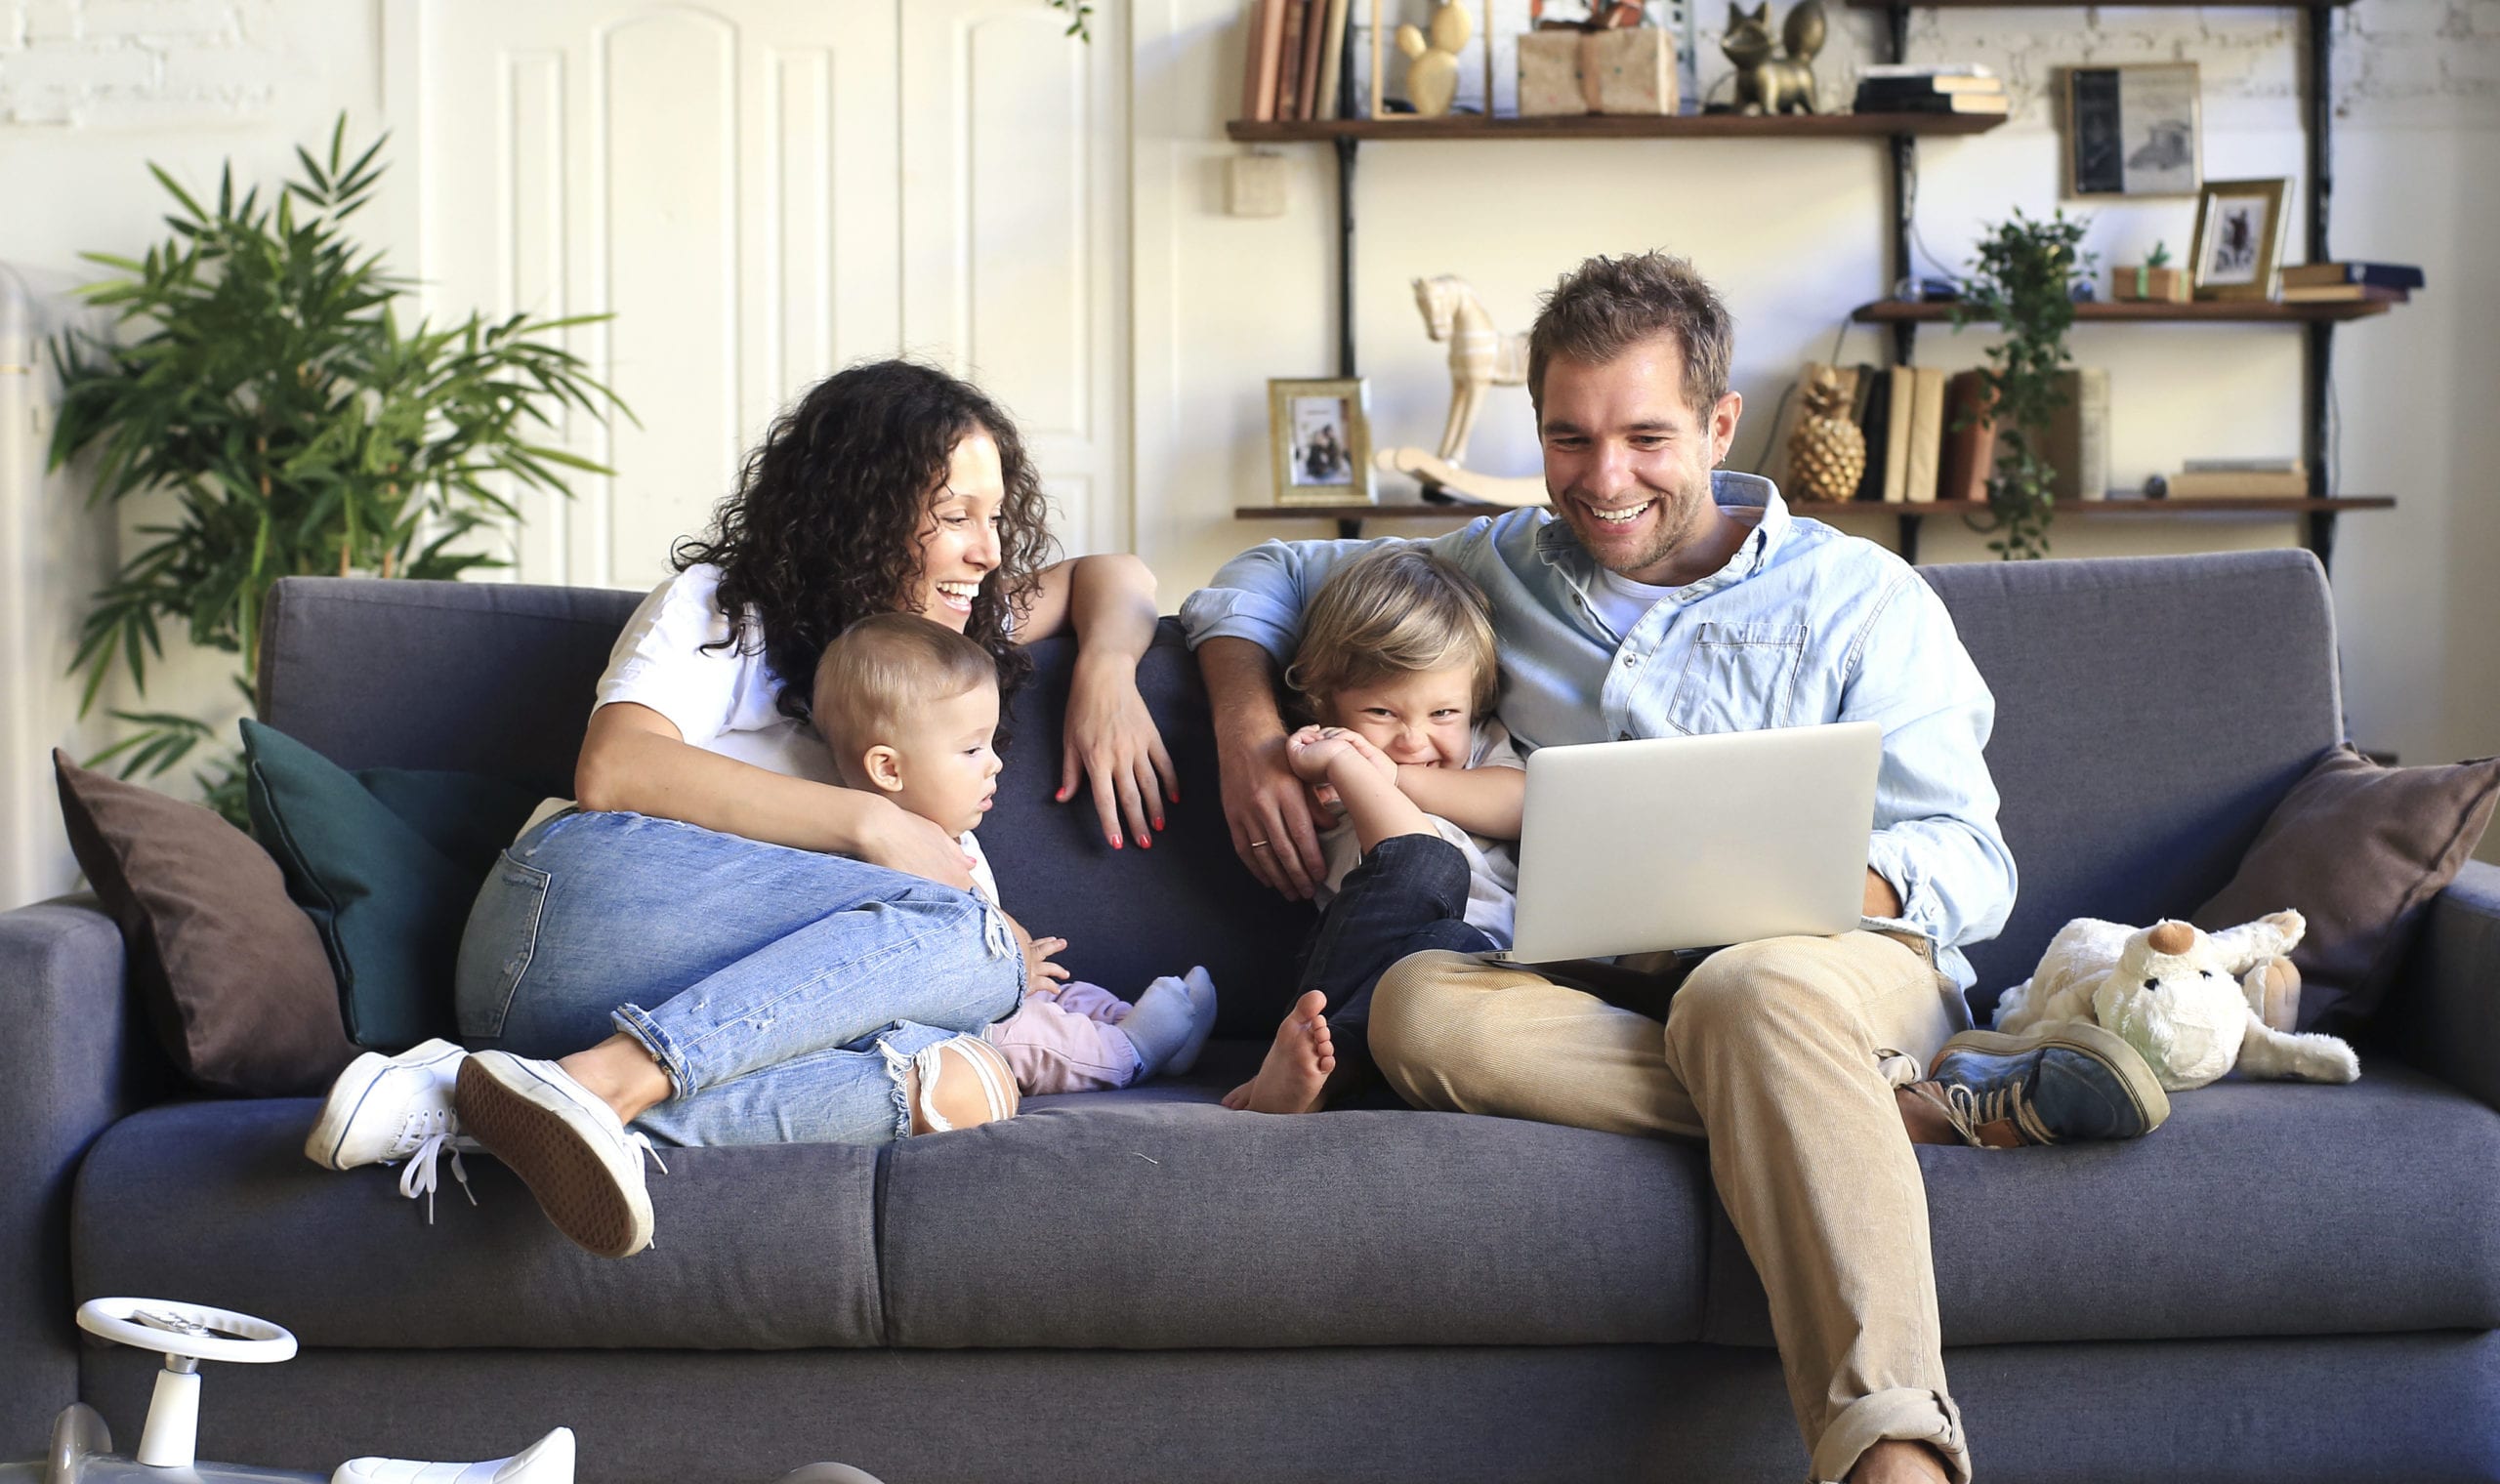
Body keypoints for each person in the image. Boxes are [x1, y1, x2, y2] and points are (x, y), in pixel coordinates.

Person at [1179, 252, 2171, 1484]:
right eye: (1569, 437)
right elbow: (1265, 577)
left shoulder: (1863, 598)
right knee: (1421, 1007)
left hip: (1826, 970)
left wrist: (1777, 890)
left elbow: (1969, 861)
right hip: (1587, 985)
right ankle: (1892, 1103)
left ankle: (1893, 1453)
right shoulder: (1493, 565)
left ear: (1717, 424)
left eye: (1646, 437)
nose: (1603, 480)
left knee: (1747, 988)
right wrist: (1246, 729)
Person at [305, 358, 1176, 1260]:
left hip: (663, 1020)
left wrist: (1108, 676)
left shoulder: (945, 637)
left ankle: (482, 1102)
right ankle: (608, 1082)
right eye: (956, 517)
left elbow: (1113, 575)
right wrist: (875, 827)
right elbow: (616, 767)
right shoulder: (727, 609)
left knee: (970, 1081)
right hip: (570, 927)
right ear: (863, 512)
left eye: (994, 518)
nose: (989, 552)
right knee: (977, 943)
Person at [810, 612, 1220, 1096]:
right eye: (971, 751)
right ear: (888, 769)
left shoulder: (952, 835)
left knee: (1066, 996)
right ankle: (1132, 1052)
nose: (996, 763)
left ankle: (1153, 1034)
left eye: (990, 744)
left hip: (997, 991)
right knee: (1028, 1038)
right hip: (950, 1024)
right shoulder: (876, 860)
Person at [1222, 545, 1525, 1116]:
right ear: (1324, 701)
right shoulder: (1323, 762)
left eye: (1443, 713)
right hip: (1363, 969)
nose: (1413, 740)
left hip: (1475, 975)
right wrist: (1348, 765)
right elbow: (1416, 854)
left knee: (1459, 943)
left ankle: (1324, 1084)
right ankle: (1305, 1071)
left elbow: (1522, 803)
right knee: (1425, 869)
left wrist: (1390, 773)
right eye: (1382, 713)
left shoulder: (1479, 746)